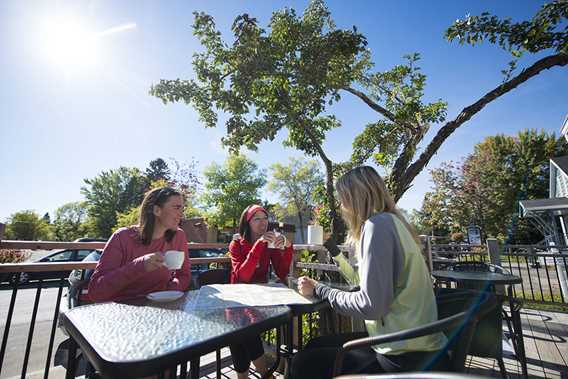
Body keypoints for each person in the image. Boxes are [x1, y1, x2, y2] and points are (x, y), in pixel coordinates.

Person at [290, 166, 447, 379]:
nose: (341, 205)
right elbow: (363, 282)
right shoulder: (394, 222)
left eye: (342, 197)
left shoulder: (377, 226)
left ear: (355, 196)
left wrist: (320, 290)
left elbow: (371, 305)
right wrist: (332, 248)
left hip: (404, 356)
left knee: (302, 363)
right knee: (315, 345)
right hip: (414, 342)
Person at [88, 187, 191, 302]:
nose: (182, 214)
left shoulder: (179, 236)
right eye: (177, 208)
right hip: (123, 309)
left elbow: (184, 275)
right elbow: (96, 292)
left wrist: (170, 291)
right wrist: (139, 266)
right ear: (157, 210)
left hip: (162, 308)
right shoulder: (122, 237)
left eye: (182, 209)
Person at [228, 204, 293, 379]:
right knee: (242, 327)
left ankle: (245, 376)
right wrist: (258, 246)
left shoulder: (269, 242)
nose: (262, 222)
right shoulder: (237, 243)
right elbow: (242, 276)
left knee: (242, 330)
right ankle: (263, 374)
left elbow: (281, 271)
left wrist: (287, 247)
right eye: (256, 219)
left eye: (265, 218)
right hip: (237, 300)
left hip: (260, 300)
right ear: (247, 222)